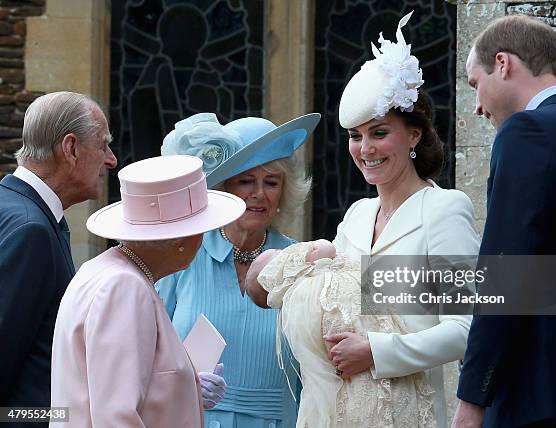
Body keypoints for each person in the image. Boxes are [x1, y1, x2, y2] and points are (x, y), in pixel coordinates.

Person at [452, 15, 556, 428]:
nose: (478, 106)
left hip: (536, 398)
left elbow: (505, 271)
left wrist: (473, 398)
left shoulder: (528, 131)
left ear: (502, 63)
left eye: (475, 84)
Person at [323, 13, 480, 427]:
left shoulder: (444, 209)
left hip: (411, 412)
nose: (365, 149)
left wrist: (376, 352)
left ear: (414, 135)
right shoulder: (355, 217)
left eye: (378, 132)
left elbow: (467, 325)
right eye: (355, 136)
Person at [50, 155, 245, 427]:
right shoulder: (125, 287)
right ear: (180, 240)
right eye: (201, 229)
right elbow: (117, 416)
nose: (202, 240)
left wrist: (187, 388)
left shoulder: (106, 270)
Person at [156, 112, 320, 428]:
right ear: (223, 188)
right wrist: (180, 383)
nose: (258, 193)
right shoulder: (182, 256)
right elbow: (147, 348)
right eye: (246, 181)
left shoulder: (299, 262)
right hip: (191, 418)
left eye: (271, 182)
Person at [0, 91, 117, 419]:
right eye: (103, 144)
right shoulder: (30, 230)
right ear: (71, 149)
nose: (111, 160)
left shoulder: (12, 206)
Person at [246, 240, 436, 427]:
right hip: (371, 390)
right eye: (278, 253)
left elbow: (461, 331)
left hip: (379, 386)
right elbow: (326, 248)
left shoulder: (295, 308)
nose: (287, 251)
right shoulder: (306, 284)